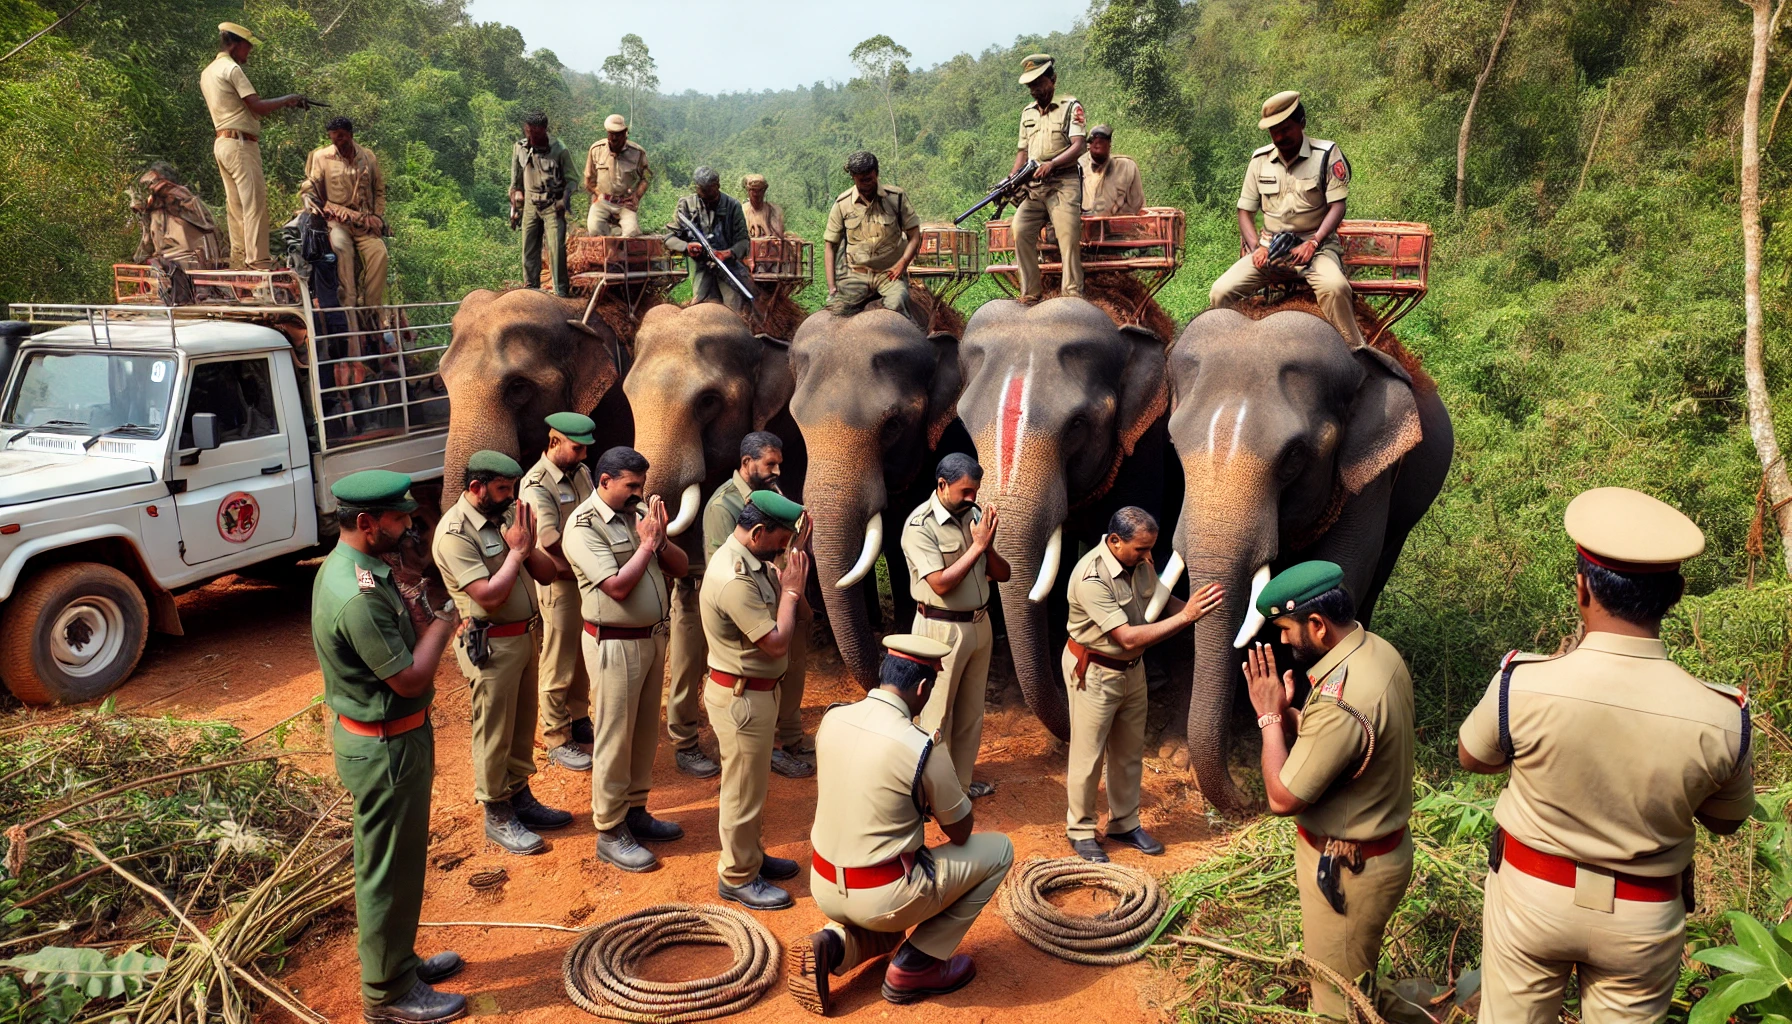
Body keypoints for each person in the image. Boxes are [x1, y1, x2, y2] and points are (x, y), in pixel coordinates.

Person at [1457, 488, 1755, 1024]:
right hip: (1644, 917)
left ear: (1582, 588)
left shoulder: (1522, 685)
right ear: (1676, 594)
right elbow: (1727, 820)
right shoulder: (1724, 717)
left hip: (1532, 895)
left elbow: (1472, 757)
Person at [789, 635, 1016, 1014]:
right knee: (1000, 851)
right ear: (923, 688)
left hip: (825, 884)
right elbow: (960, 831)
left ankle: (832, 944)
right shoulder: (922, 746)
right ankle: (918, 965)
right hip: (884, 893)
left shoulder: (832, 717)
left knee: (887, 925)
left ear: (885, 673)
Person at [312, 470, 467, 1024]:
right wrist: (448, 617)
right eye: (398, 519)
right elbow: (410, 679)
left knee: (400, 864)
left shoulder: (362, 571)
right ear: (365, 522)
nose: (407, 526)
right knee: (386, 872)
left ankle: (399, 963)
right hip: (385, 750)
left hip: (394, 740)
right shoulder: (356, 597)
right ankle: (386, 993)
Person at [1243, 559, 1414, 1020]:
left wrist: (1269, 717)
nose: (1283, 641)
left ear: (1317, 625)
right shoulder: (1376, 651)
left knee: (1338, 1002)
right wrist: (1292, 716)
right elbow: (1344, 747)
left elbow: (1282, 798)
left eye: (1285, 629)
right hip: (1380, 852)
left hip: (1348, 871)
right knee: (1358, 976)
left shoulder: (1341, 698)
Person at [1063, 507, 1222, 863]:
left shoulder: (1138, 564)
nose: (1149, 556)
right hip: (1095, 671)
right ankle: (1081, 830)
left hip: (1132, 671)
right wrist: (1188, 617)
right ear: (1115, 541)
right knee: (1089, 755)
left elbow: (1161, 602)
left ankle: (1124, 823)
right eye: (1141, 549)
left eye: (1151, 548)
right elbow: (1127, 637)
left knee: (1129, 751)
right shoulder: (1091, 578)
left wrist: (1199, 607)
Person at [432, 450, 572, 855]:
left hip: (524, 639)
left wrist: (528, 547)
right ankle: (497, 811)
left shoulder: (507, 516)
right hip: (490, 646)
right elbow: (489, 597)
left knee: (521, 725)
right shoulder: (455, 533)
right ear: (476, 487)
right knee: (494, 731)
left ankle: (520, 795)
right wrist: (516, 553)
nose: (511, 496)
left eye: (512, 487)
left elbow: (547, 573)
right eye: (502, 488)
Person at [563, 447, 691, 873]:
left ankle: (635, 810)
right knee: (614, 737)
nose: (639, 493)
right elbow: (616, 587)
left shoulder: (636, 516)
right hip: (613, 644)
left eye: (641, 485)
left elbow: (680, 567)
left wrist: (661, 540)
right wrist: (647, 545)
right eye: (631, 485)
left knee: (643, 734)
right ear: (604, 482)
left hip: (651, 640)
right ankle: (609, 828)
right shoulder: (583, 526)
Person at [698, 491, 812, 910]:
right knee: (742, 792)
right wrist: (791, 594)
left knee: (754, 788)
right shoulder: (733, 578)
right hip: (741, 699)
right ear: (759, 531)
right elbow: (777, 642)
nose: (784, 548)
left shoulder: (753, 561)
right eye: (781, 540)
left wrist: (791, 560)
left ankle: (752, 857)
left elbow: (793, 617)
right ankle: (737, 876)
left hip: (756, 693)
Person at [696, 432, 814, 780]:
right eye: (770, 463)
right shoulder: (722, 506)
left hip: (771, 598)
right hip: (745, 610)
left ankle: (784, 736)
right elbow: (724, 570)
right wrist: (787, 591)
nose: (777, 471)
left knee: (788, 669)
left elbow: (777, 556)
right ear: (747, 463)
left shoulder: (773, 498)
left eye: (779, 463)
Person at [1209, 91, 1366, 348]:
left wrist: (1313, 242)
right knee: (1220, 292)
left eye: (1285, 130)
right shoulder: (1260, 160)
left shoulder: (1326, 154)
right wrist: (1256, 247)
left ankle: (1355, 351)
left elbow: (1338, 206)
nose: (1280, 137)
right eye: (1274, 132)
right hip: (1270, 249)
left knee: (1336, 288)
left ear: (1302, 123)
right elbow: (1244, 211)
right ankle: (1231, 349)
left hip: (1315, 248)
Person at [899, 454, 1011, 799]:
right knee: (936, 714)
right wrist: (977, 547)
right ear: (942, 485)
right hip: (940, 629)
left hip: (979, 625)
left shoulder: (975, 517)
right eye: (965, 491)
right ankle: (930, 793)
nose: (972, 498)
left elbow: (1003, 574)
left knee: (971, 713)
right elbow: (941, 584)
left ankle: (959, 788)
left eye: (975, 491)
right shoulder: (920, 526)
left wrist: (987, 548)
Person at [200, 22, 317, 271]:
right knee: (254, 203)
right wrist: (288, 99)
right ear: (235, 44)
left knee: (236, 207)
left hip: (222, 142)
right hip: (240, 144)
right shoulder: (232, 69)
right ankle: (258, 260)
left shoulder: (208, 72)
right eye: (248, 46)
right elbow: (258, 106)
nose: (249, 52)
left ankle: (239, 259)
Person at [518, 413, 597, 772]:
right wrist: (590, 559)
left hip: (581, 577)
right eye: (577, 448)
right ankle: (555, 736)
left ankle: (578, 716)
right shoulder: (536, 484)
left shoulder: (580, 472)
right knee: (559, 656)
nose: (583, 455)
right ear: (554, 442)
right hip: (560, 581)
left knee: (580, 652)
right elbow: (548, 539)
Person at [1010, 53, 1086, 303]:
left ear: (1053, 79)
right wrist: (1012, 177)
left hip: (1063, 184)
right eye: (1030, 86)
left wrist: (1052, 164)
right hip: (1035, 188)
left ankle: (1072, 292)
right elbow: (1022, 152)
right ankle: (1030, 292)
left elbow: (1079, 145)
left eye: (1038, 84)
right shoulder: (1027, 113)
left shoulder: (1070, 107)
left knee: (1068, 235)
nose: (1034, 90)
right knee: (1020, 229)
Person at [823, 151, 921, 322]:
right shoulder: (842, 204)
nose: (866, 184)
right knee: (835, 313)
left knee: (897, 304)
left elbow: (914, 235)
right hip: (856, 275)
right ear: (853, 177)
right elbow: (830, 246)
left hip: (889, 274)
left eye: (869, 178)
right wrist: (832, 287)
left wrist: (902, 264)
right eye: (861, 180)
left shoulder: (896, 198)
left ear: (876, 173)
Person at [303, 117, 389, 310]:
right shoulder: (321, 157)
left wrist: (377, 217)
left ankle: (371, 307)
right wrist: (311, 200)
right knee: (342, 249)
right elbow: (312, 187)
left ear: (350, 135)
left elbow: (379, 190)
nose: (337, 141)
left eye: (341, 136)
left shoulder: (367, 156)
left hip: (365, 224)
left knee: (380, 253)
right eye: (333, 137)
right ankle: (348, 305)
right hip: (337, 222)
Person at [667, 167, 753, 314]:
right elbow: (669, 238)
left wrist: (728, 253)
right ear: (696, 188)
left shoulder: (732, 206)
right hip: (702, 267)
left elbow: (744, 242)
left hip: (728, 268)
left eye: (710, 193)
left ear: (717, 186)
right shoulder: (686, 205)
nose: (706, 199)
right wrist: (687, 247)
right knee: (699, 309)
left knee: (734, 310)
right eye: (702, 192)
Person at [510, 112, 575, 298]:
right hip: (530, 203)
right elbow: (515, 181)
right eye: (528, 132)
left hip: (552, 204)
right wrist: (515, 205)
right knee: (529, 247)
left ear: (544, 130)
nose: (531, 137)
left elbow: (572, 180)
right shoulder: (520, 148)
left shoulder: (559, 149)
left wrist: (564, 200)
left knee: (556, 248)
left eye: (536, 133)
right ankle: (531, 287)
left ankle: (561, 291)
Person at [131, 162, 222, 269]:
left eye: (151, 184)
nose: (149, 189)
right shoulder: (159, 209)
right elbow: (146, 247)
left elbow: (207, 224)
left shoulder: (180, 201)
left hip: (187, 264)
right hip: (181, 264)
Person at [584, 114, 650, 238]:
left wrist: (636, 196)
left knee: (631, 233)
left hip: (625, 203)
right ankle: (614, 234)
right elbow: (588, 179)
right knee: (594, 230)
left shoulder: (637, 153)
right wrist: (597, 193)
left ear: (625, 133)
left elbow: (647, 178)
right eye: (611, 134)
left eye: (618, 134)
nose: (614, 138)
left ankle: (619, 235)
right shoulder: (596, 150)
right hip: (603, 201)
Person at [1079, 125, 1143, 217]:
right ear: (1088, 145)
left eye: (1102, 141)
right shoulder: (1078, 167)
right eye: (1095, 141)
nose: (1098, 144)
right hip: (1083, 221)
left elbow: (1136, 204)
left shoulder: (1126, 167)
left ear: (1109, 144)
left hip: (1118, 222)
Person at [742, 174, 785, 239]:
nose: (756, 194)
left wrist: (765, 226)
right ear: (747, 190)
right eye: (753, 190)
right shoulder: (742, 210)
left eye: (760, 190)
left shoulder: (774, 210)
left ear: (764, 190)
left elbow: (778, 238)